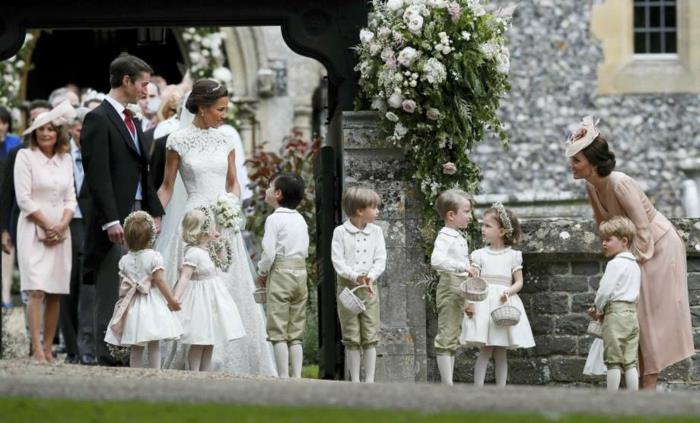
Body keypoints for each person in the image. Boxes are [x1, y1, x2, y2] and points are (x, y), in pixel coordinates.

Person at [157, 78, 276, 375]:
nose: (224, 115)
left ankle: (232, 357)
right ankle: (188, 354)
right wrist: (153, 218)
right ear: (202, 108)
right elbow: (167, 187)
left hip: (222, 222)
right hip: (194, 222)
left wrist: (231, 204)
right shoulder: (177, 141)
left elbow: (234, 183)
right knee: (192, 282)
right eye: (220, 109)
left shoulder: (225, 139)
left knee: (227, 284)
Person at [566, 115, 694, 390]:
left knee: (648, 318)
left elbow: (644, 229)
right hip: (633, 251)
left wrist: (630, 261)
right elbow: (605, 225)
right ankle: (631, 384)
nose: (571, 165)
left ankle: (646, 389)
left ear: (593, 161)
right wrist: (617, 260)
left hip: (658, 247)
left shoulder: (620, 182)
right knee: (629, 314)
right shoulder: (591, 185)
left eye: (576, 160)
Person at [80, 53, 164, 366]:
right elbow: (97, 173)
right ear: (126, 81)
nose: (146, 90)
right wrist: (112, 219)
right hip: (115, 216)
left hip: (139, 212)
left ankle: (131, 352)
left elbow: (143, 171)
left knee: (138, 283)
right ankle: (108, 354)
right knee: (112, 285)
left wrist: (153, 210)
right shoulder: (98, 118)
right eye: (143, 83)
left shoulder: (134, 120)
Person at [14, 100, 77, 362]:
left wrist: (62, 224)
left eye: (51, 129)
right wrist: (47, 224)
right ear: (34, 132)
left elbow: (71, 197)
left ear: (58, 132)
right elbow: (24, 198)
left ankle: (49, 348)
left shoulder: (65, 159)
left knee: (55, 291)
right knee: (36, 290)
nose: (46, 133)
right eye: (41, 129)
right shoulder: (25, 157)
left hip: (61, 232)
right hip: (32, 229)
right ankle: (37, 348)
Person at [460, 203, 535, 387]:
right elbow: (474, 283)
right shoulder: (479, 255)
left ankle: (501, 390)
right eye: (482, 225)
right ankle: (479, 389)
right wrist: (469, 303)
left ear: (501, 231)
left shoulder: (513, 256)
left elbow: (518, 281)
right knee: (485, 349)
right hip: (484, 304)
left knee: (501, 350)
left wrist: (509, 290)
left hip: (503, 302)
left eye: (487, 226)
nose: (482, 229)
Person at [104, 211, 182, 368]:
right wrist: (171, 299)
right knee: (154, 342)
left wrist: (121, 304)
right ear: (151, 237)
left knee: (136, 343)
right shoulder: (154, 257)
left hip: (132, 305)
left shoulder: (124, 259)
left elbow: (123, 286)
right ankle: (155, 372)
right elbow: (160, 280)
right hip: (152, 303)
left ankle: (135, 373)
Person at [172, 209, 246, 372]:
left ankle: (206, 373)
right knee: (199, 339)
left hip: (213, 297)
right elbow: (185, 277)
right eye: (211, 228)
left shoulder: (208, 249)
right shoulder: (193, 253)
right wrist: (176, 296)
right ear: (202, 232)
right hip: (200, 300)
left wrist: (219, 245)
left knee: (210, 340)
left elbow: (224, 262)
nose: (215, 231)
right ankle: (194, 372)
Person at [331, 186, 386, 383]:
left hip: (370, 289)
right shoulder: (340, 232)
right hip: (347, 289)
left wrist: (371, 276)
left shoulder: (376, 232)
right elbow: (337, 261)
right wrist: (355, 276)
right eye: (374, 207)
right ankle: (354, 380)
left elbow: (380, 258)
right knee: (351, 335)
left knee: (370, 334)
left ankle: (369, 380)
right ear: (360, 210)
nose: (378, 211)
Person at [257, 172, 309, 378]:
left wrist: (262, 271)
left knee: (278, 329)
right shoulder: (300, 219)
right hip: (300, 272)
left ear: (278, 194)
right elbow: (304, 248)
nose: (267, 190)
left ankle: (283, 377)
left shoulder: (274, 219)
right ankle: (297, 376)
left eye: (270, 187)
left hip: (280, 272)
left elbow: (269, 252)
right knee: (295, 332)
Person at [59, 106, 97, 365]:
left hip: (92, 222)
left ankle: (87, 345)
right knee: (67, 284)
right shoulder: (61, 156)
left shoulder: (97, 150)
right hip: (67, 222)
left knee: (88, 284)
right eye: (79, 128)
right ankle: (71, 346)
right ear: (72, 129)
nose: (83, 133)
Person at [587, 216, 641, 392]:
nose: (603, 243)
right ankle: (634, 400)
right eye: (603, 239)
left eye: (608, 240)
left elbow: (604, 291)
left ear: (624, 241)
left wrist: (598, 309)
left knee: (613, 361)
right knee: (630, 361)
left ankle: (612, 400)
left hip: (615, 315)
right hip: (632, 315)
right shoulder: (635, 265)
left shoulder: (615, 264)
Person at [430, 189, 475, 385]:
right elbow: (436, 260)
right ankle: (447, 385)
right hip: (449, 285)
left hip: (459, 286)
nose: (470, 216)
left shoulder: (456, 235)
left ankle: (449, 383)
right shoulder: (445, 236)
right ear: (451, 215)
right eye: (466, 211)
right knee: (447, 334)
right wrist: (462, 267)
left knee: (454, 334)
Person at [0, 106, 22, 308]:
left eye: (4, 121)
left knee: (8, 245)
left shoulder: (15, 143)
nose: (1, 126)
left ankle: (6, 294)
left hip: (7, 200)